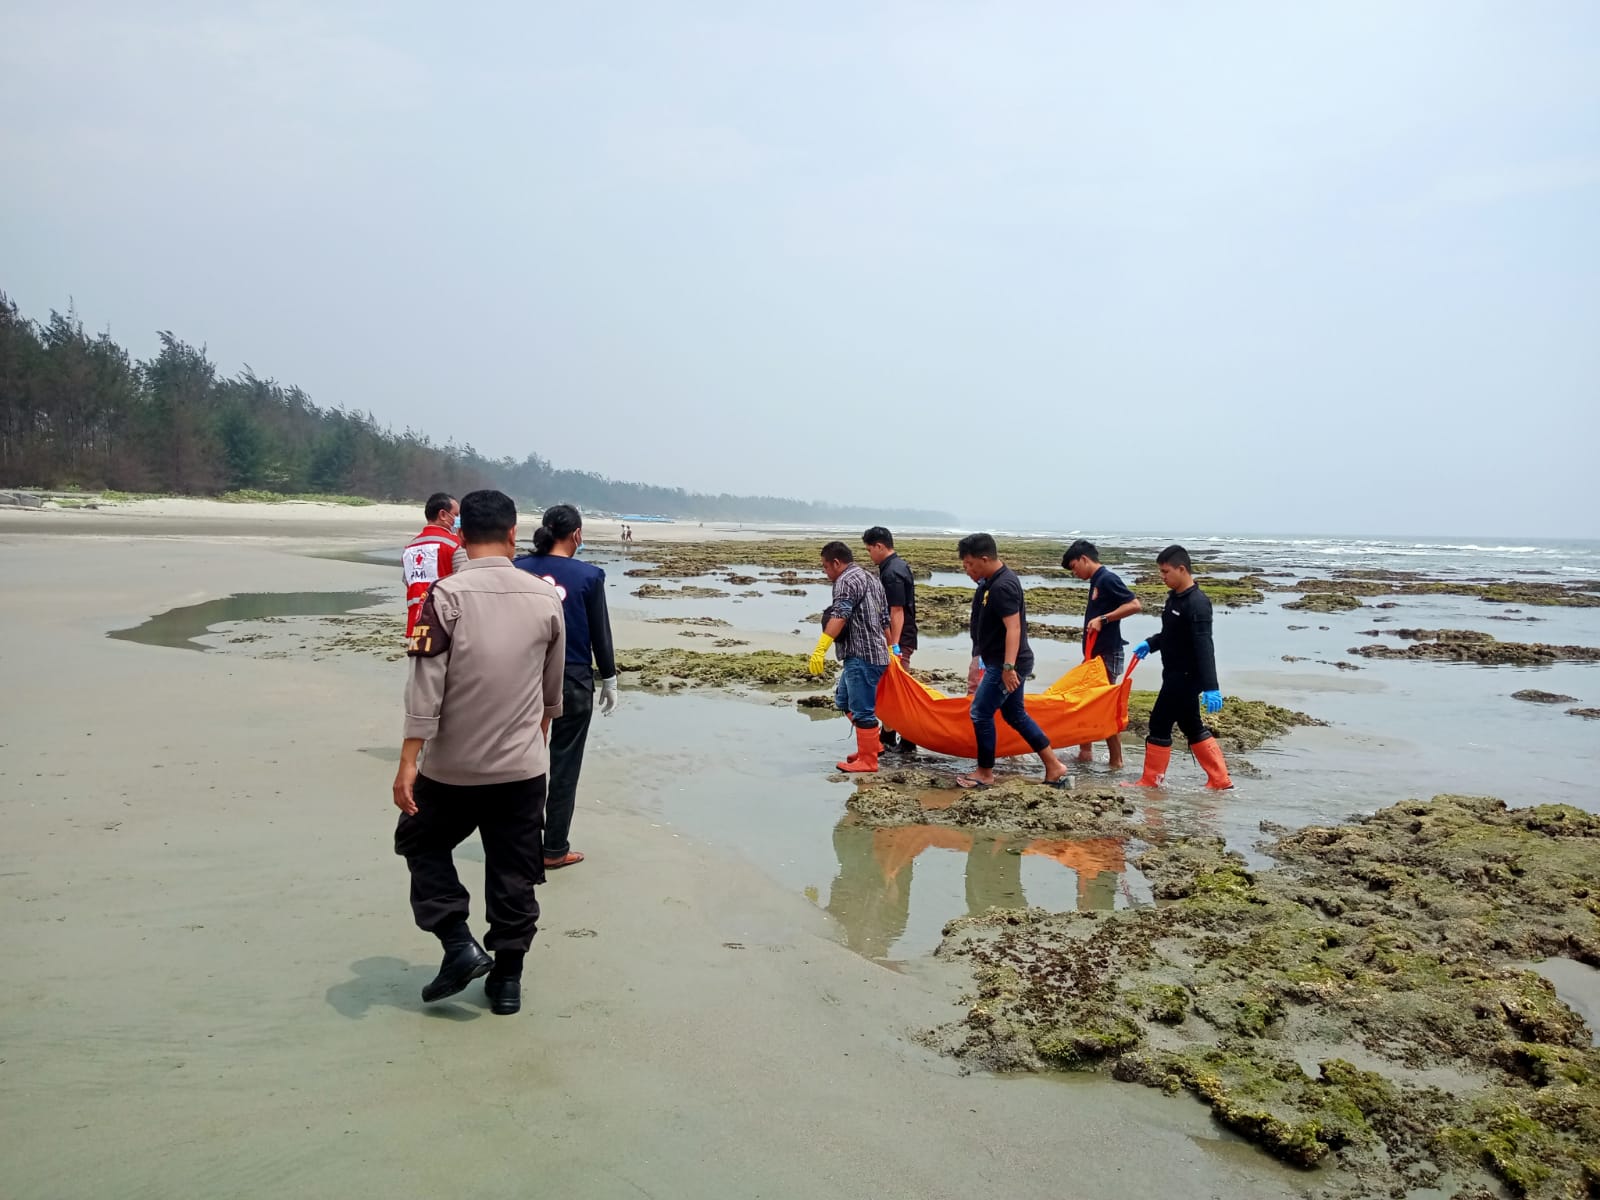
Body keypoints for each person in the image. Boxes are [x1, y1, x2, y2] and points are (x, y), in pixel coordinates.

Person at [392, 489, 566, 1015]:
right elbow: (551, 694)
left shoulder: (444, 597)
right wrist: (532, 749)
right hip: (522, 769)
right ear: (514, 534)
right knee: (514, 870)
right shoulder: (545, 598)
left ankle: (457, 941)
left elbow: (425, 687)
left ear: (461, 536)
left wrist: (407, 762)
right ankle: (507, 981)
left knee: (419, 843)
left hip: (451, 768)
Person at [513, 504, 619, 871]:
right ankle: (553, 848)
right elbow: (599, 633)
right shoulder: (589, 576)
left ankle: (515, 842)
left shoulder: (518, 568)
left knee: (519, 762)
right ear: (576, 534)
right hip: (572, 677)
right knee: (564, 763)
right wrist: (610, 677)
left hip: (521, 676)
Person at [955, 533, 1071, 790]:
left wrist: (1008, 667)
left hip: (1008, 663)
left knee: (980, 712)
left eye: (969, 565)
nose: (967, 571)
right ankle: (1054, 766)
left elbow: (1014, 628)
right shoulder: (989, 582)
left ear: (984, 559)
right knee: (1015, 713)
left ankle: (985, 772)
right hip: (999, 660)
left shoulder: (1002, 585)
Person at [1126, 544, 1233, 790]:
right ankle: (1220, 780)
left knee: (1159, 724)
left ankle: (1150, 782)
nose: (1162, 577)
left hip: (1185, 676)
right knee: (1190, 724)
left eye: (1165, 572)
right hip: (1174, 673)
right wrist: (1151, 644)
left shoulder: (1197, 603)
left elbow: (1204, 645)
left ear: (1181, 569)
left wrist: (1211, 687)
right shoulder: (1175, 598)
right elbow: (1171, 634)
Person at [807, 541, 891, 773]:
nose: (826, 573)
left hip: (862, 655)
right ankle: (873, 746)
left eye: (825, 567)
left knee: (863, 709)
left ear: (836, 562)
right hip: (874, 653)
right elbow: (885, 617)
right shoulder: (871, 577)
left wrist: (821, 647)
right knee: (843, 700)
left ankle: (868, 760)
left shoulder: (846, 580)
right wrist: (890, 647)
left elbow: (841, 614)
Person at [1063, 539, 1142, 770]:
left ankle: (1116, 761)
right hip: (1094, 656)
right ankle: (1085, 752)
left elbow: (1135, 605)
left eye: (1074, 567)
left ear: (1084, 559)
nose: (1074, 573)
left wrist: (1103, 619)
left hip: (1108, 654)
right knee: (1085, 703)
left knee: (1105, 708)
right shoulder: (1096, 581)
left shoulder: (1107, 579)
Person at [863, 526, 919, 754]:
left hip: (899, 639)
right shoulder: (896, 566)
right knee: (890, 689)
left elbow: (896, 610)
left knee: (897, 691)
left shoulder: (892, 572)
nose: (870, 555)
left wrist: (893, 645)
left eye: (869, 550)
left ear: (879, 546)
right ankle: (888, 735)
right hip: (900, 638)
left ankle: (907, 740)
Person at [402, 492, 460, 639]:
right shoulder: (455, 545)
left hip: (416, 625)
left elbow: (407, 582)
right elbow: (466, 584)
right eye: (456, 514)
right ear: (443, 514)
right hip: (447, 626)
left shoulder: (409, 548)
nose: (458, 520)